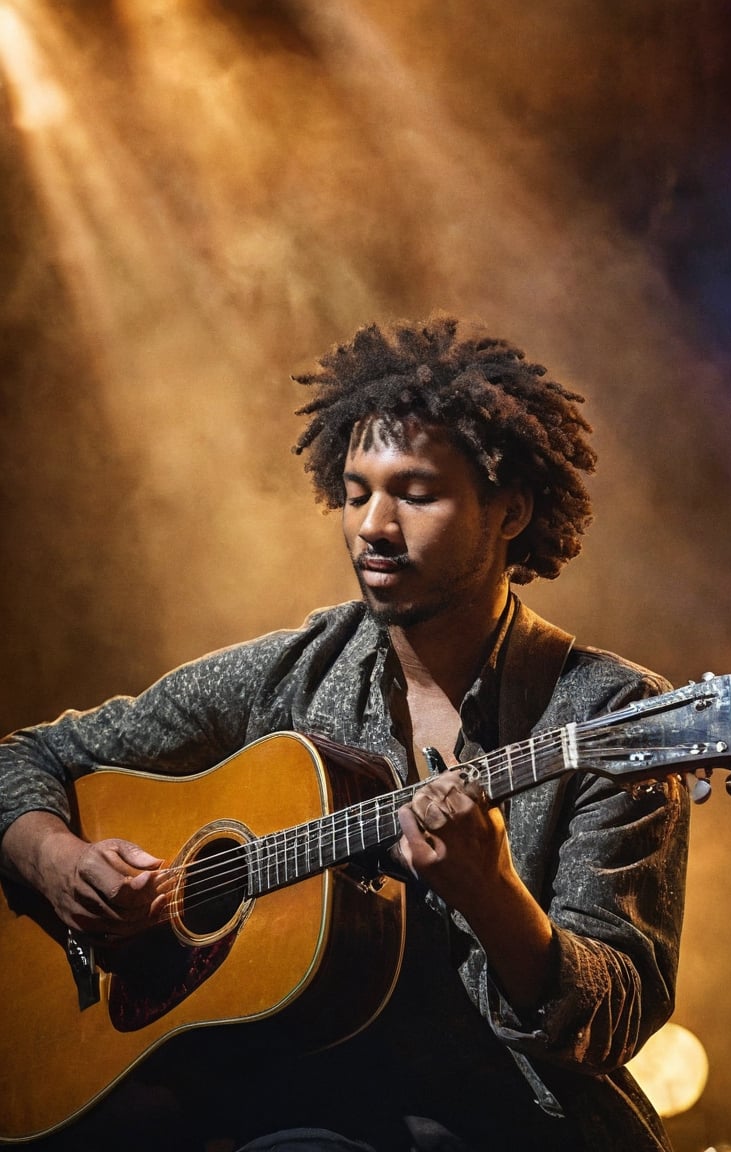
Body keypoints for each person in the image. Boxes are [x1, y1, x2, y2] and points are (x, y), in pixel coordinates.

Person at [0, 314, 689, 1152]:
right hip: (297, 1102)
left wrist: (492, 894)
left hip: (514, 1122)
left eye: (416, 493)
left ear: (510, 512)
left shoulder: (607, 717)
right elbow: (25, 757)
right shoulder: (294, 671)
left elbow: (613, 1014)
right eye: (357, 492)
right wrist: (56, 859)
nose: (372, 526)